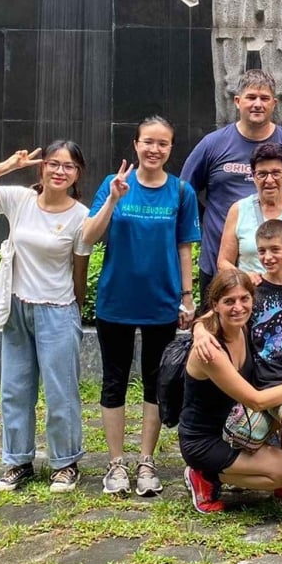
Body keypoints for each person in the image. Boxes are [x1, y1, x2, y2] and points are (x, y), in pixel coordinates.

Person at [0, 142, 93, 494]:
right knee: (15, 390)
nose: (60, 171)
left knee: (61, 392)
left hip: (58, 310)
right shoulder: (20, 200)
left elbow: (79, 270)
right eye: (53, 163)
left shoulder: (81, 216)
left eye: (68, 166)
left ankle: (65, 463)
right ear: (42, 167)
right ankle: (17, 461)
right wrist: (9, 165)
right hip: (17, 308)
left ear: (77, 174)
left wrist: (73, 310)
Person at [82, 117, 200, 496]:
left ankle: (146, 460)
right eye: (148, 142)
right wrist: (113, 199)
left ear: (170, 148)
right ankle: (116, 463)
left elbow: (184, 247)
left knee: (156, 381)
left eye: (162, 143)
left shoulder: (181, 191)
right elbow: (88, 236)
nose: (154, 149)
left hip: (160, 302)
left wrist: (187, 296)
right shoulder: (113, 184)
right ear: (135, 144)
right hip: (116, 300)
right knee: (114, 381)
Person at [180, 268, 282, 536]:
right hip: (206, 439)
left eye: (244, 299)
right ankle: (205, 474)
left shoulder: (245, 327)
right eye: (229, 301)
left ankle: (242, 468)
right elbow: (256, 400)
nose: (238, 307)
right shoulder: (211, 350)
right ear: (215, 305)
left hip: (237, 426)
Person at [181, 69, 282, 296]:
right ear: (237, 101)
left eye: (264, 98)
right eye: (251, 97)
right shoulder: (212, 145)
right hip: (220, 262)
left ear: (274, 103)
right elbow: (185, 194)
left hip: (281, 272)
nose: (258, 104)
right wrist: (211, 220)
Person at [218, 142, 282, 278]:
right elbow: (223, 262)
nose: (269, 180)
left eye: (276, 173)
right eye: (262, 174)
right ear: (253, 176)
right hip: (251, 288)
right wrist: (244, 277)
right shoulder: (238, 210)